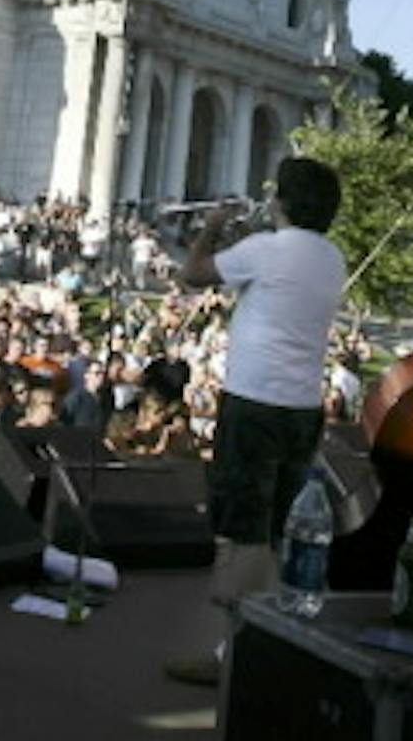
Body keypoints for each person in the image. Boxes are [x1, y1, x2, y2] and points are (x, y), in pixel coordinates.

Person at [165, 157, 345, 687]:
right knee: (276, 529)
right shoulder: (330, 257)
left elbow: (193, 274)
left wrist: (215, 227)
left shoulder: (264, 250)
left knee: (245, 532)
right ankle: (265, 640)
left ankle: (235, 654)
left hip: (254, 404)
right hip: (301, 409)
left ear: (281, 201)